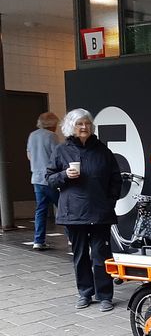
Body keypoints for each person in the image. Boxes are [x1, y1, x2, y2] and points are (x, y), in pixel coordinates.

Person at [46, 109, 122, 312]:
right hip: (73, 212)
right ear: (71, 127)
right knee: (80, 256)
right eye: (79, 124)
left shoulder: (102, 151)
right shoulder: (61, 151)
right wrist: (64, 174)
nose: (84, 127)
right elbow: (50, 179)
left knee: (101, 255)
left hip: (100, 212)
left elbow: (116, 178)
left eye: (87, 123)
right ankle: (85, 293)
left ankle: (105, 295)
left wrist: (110, 201)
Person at [26, 112, 61, 250]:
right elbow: (57, 156)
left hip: (36, 178)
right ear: (52, 124)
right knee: (64, 208)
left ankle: (38, 240)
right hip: (50, 178)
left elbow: (29, 155)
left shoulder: (32, 135)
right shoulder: (52, 136)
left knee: (40, 210)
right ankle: (72, 238)